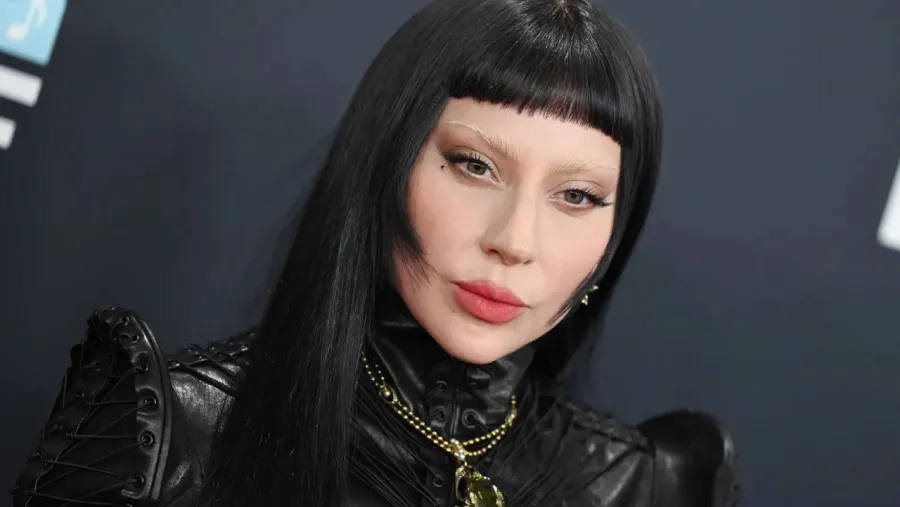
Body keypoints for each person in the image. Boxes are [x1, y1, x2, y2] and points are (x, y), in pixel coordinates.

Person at [10, 0, 740, 506]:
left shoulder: (648, 486)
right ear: (386, 163)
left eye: (576, 196)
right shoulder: (170, 436)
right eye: (474, 166)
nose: (515, 242)